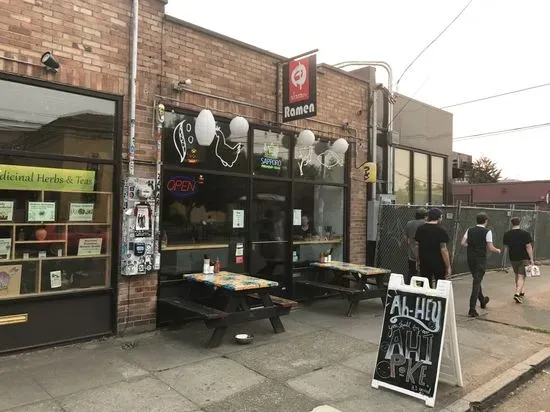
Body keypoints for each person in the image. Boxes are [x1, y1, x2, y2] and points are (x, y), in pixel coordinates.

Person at [461, 212, 501, 317]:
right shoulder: (487, 232)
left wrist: (470, 245)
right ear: (486, 220)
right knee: (476, 283)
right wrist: (498, 250)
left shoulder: (469, 230)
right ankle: (472, 308)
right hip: (480, 259)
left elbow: (462, 243)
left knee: (476, 279)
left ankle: (482, 300)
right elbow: (490, 247)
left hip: (470, 258)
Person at [414, 208, 452, 286]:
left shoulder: (420, 229)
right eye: (441, 216)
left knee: (425, 284)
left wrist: (418, 260)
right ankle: (438, 298)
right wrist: (448, 266)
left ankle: (426, 297)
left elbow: (417, 246)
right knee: (440, 284)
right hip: (438, 262)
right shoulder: (441, 230)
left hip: (424, 261)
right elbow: (443, 249)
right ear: (439, 217)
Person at [503, 217, 534, 304]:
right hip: (524, 258)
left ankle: (521, 291)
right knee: (522, 276)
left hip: (513, 257)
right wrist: (531, 259)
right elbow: (528, 246)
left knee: (517, 274)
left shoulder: (507, 234)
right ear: (519, 223)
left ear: (512, 223)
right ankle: (517, 294)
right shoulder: (525, 234)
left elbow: (506, 246)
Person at [404, 207, 427, 284]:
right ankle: (421, 290)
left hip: (411, 252)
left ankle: (408, 289)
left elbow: (406, 238)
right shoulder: (425, 224)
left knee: (411, 272)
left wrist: (407, 246)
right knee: (424, 274)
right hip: (423, 252)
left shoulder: (409, 223)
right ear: (424, 216)